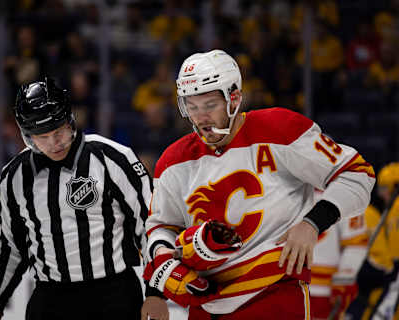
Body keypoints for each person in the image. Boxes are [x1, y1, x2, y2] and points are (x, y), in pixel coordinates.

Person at [141, 49, 376, 320]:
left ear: (235, 98)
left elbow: (357, 173)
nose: (200, 118)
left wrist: (312, 223)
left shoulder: (280, 129)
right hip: (203, 302)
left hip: (274, 295)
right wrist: (159, 280)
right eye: (192, 107)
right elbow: (161, 226)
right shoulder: (173, 160)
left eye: (209, 105)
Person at [0, 77, 152, 320]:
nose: (54, 143)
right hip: (51, 300)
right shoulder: (14, 177)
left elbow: (148, 225)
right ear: (27, 135)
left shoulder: (112, 158)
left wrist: (155, 292)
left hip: (115, 296)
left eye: (59, 130)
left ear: (70, 120)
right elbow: (11, 247)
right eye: (42, 136)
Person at [346, 162, 399, 320]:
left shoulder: (393, 210)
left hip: (387, 276)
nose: (382, 194)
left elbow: (389, 257)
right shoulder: (379, 213)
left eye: (384, 188)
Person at [309, 190, 368, 320]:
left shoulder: (348, 195)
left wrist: (344, 279)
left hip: (325, 292)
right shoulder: (289, 187)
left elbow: (356, 245)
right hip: (287, 285)